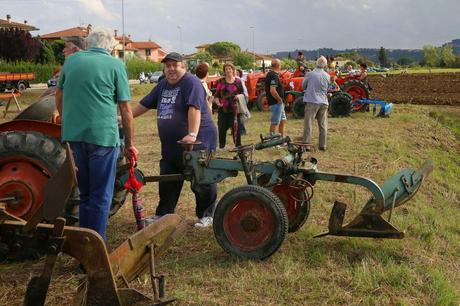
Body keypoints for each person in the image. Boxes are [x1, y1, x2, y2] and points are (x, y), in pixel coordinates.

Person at [56, 28, 137, 240]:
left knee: (85, 195)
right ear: (110, 47)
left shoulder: (71, 61)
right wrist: (129, 144)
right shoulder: (116, 65)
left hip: (74, 137)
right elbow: (126, 110)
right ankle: (95, 247)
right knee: (101, 197)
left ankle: (85, 243)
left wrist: (67, 122)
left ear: (88, 43)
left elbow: (59, 94)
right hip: (103, 138)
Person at [131, 52, 217, 228]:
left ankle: (207, 215)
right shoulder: (163, 85)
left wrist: (192, 134)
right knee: (168, 176)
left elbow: (195, 109)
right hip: (172, 145)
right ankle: (163, 214)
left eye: (175, 65)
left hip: (198, 140)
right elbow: (145, 103)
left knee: (201, 179)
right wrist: (124, 117)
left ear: (183, 67)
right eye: (168, 65)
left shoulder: (191, 83)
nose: (171, 69)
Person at [302, 56, 330, 151]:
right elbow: (327, 88)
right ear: (325, 65)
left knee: (308, 124)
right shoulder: (327, 76)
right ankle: (322, 145)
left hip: (312, 101)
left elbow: (303, 86)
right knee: (323, 125)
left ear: (316, 63)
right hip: (324, 102)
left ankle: (306, 145)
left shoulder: (310, 74)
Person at [214, 63, 245, 149]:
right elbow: (216, 96)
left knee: (236, 129)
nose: (228, 70)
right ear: (224, 71)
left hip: (234, 111)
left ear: (233, 70)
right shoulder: (221, 81)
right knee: (222, 129)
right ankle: (221, 146)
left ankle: (238, 147)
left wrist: (238, 96)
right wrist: (217, 103)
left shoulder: (238, 82)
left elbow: (242, 94)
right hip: (223, 110)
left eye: (229, 69)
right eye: (226, 69)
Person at [265, 59, 286, 137]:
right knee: (275, 122)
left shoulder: (272, 74)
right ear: (278, 66)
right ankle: (272, 140)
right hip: (276, 103)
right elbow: (272, 90)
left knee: (283, 120)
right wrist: (279, 99)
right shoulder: (273, 75)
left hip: (278, 103)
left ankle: (281, 139)